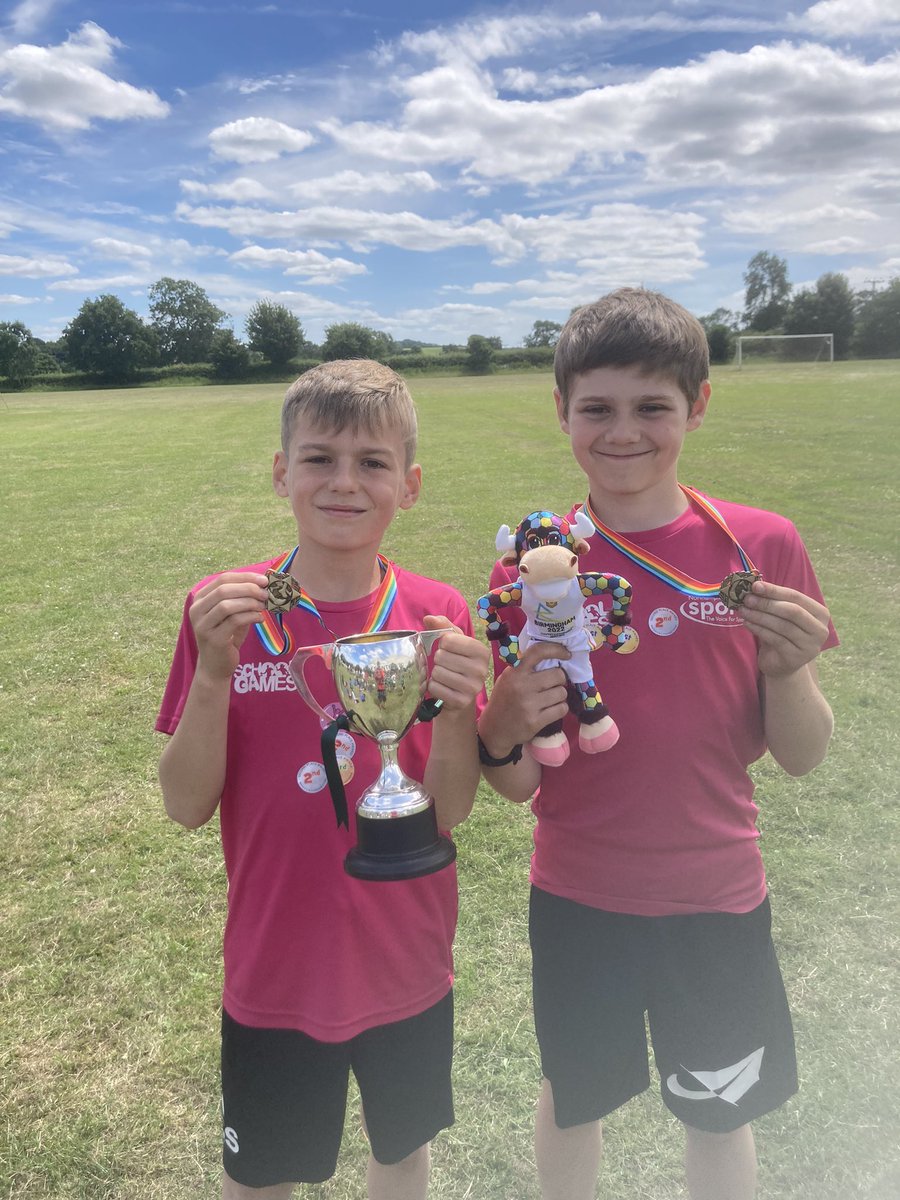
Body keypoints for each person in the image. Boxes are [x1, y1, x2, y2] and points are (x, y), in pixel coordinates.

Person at [476, 289, 837, 1200]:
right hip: (577, 894)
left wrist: (791, 671)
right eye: (596, 407)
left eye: (652, 407)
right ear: (561, 410)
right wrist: (502, 725)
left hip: (715, 893)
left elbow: (801, 753)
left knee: (721, 1105)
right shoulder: (532, 564)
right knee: (573, 1099)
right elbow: (516, 783)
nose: (622, 431)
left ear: (698, 406)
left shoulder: (759, 546)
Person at [157, 360, 490, 1200]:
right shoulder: (224, 609)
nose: (345, 482)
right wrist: (212, 675)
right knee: (263, 1175)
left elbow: (448, 810)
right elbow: (184, 804)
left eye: (373, 462)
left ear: (408, 486)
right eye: (319, 458)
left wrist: (455, 714)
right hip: (276, 967)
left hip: (406, 959)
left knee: (401, 1156)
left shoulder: (437, 611)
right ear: (282, 473)